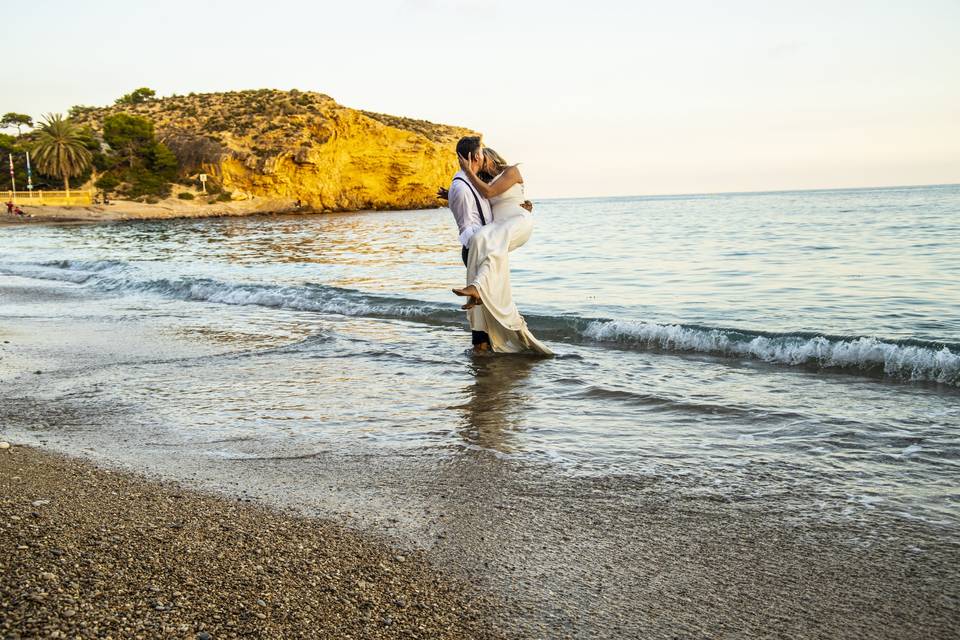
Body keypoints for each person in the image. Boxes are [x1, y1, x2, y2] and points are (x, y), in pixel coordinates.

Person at [450, 142, 553, 355]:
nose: (483, 167)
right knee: (484, 242)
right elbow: (475, 199)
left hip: (517, 221)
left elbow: (489, 193)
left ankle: (476, 291)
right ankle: (482, 338)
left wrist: (469, 171)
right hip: (497, 229)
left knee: (493, 244)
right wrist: (451, 195)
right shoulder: (479, 183)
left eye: (485, 161)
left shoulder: (511, 171)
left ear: (493, 158)